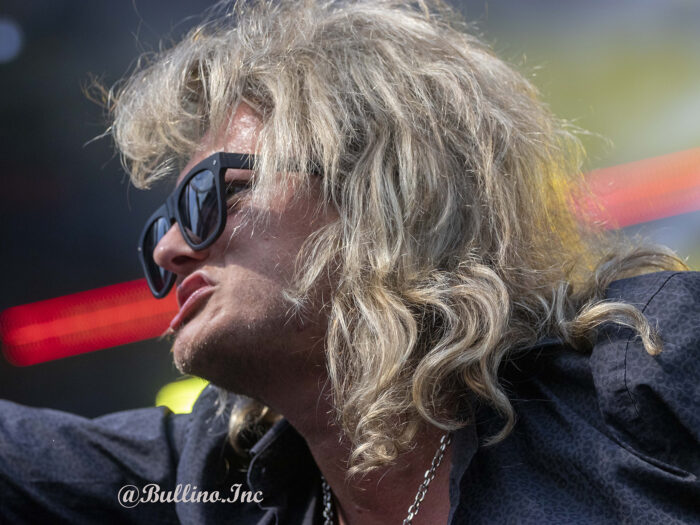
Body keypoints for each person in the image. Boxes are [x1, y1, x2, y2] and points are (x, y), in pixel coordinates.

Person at [2, 1, 698, 523]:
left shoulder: (648, 368)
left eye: (210, 196)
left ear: (379, 193)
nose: (168, 249)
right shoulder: (219, 480)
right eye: (162, 227)